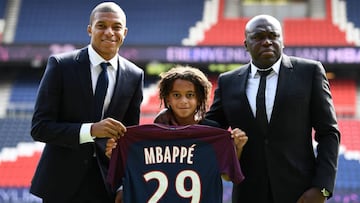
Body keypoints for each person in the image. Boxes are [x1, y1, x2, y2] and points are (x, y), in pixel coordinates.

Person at [204, 14, 340, 203]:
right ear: (246, 44)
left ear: (282, 41)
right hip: (247, 194)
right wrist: (174, 118)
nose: (267, 42)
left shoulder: (310, 72)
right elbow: (209, 128)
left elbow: (329, 133)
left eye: (273, 36)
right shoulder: (228, 82)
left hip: (301, 195)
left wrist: (322, 190)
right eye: (258, 37)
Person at [30, 2, 144, 202]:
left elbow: (129, 139)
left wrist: (124, 184)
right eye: (101, 25)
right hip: (61, 185)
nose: (109, 32)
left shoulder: (135, 75)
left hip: (107, 186)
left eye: (116, 27)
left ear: (124, 32)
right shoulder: (60, 65)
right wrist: (90, 131)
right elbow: (40, 128)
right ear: (90, 29)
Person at [106, 65, 248, 202]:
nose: (183, 101)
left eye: (190, 95)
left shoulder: (212, 133)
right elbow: (134, 170)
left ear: (199, 98)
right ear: (168, 98)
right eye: (176, 95)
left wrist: (238, 147)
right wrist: (115, 154)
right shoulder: (151, 134)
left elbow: (227, 176)